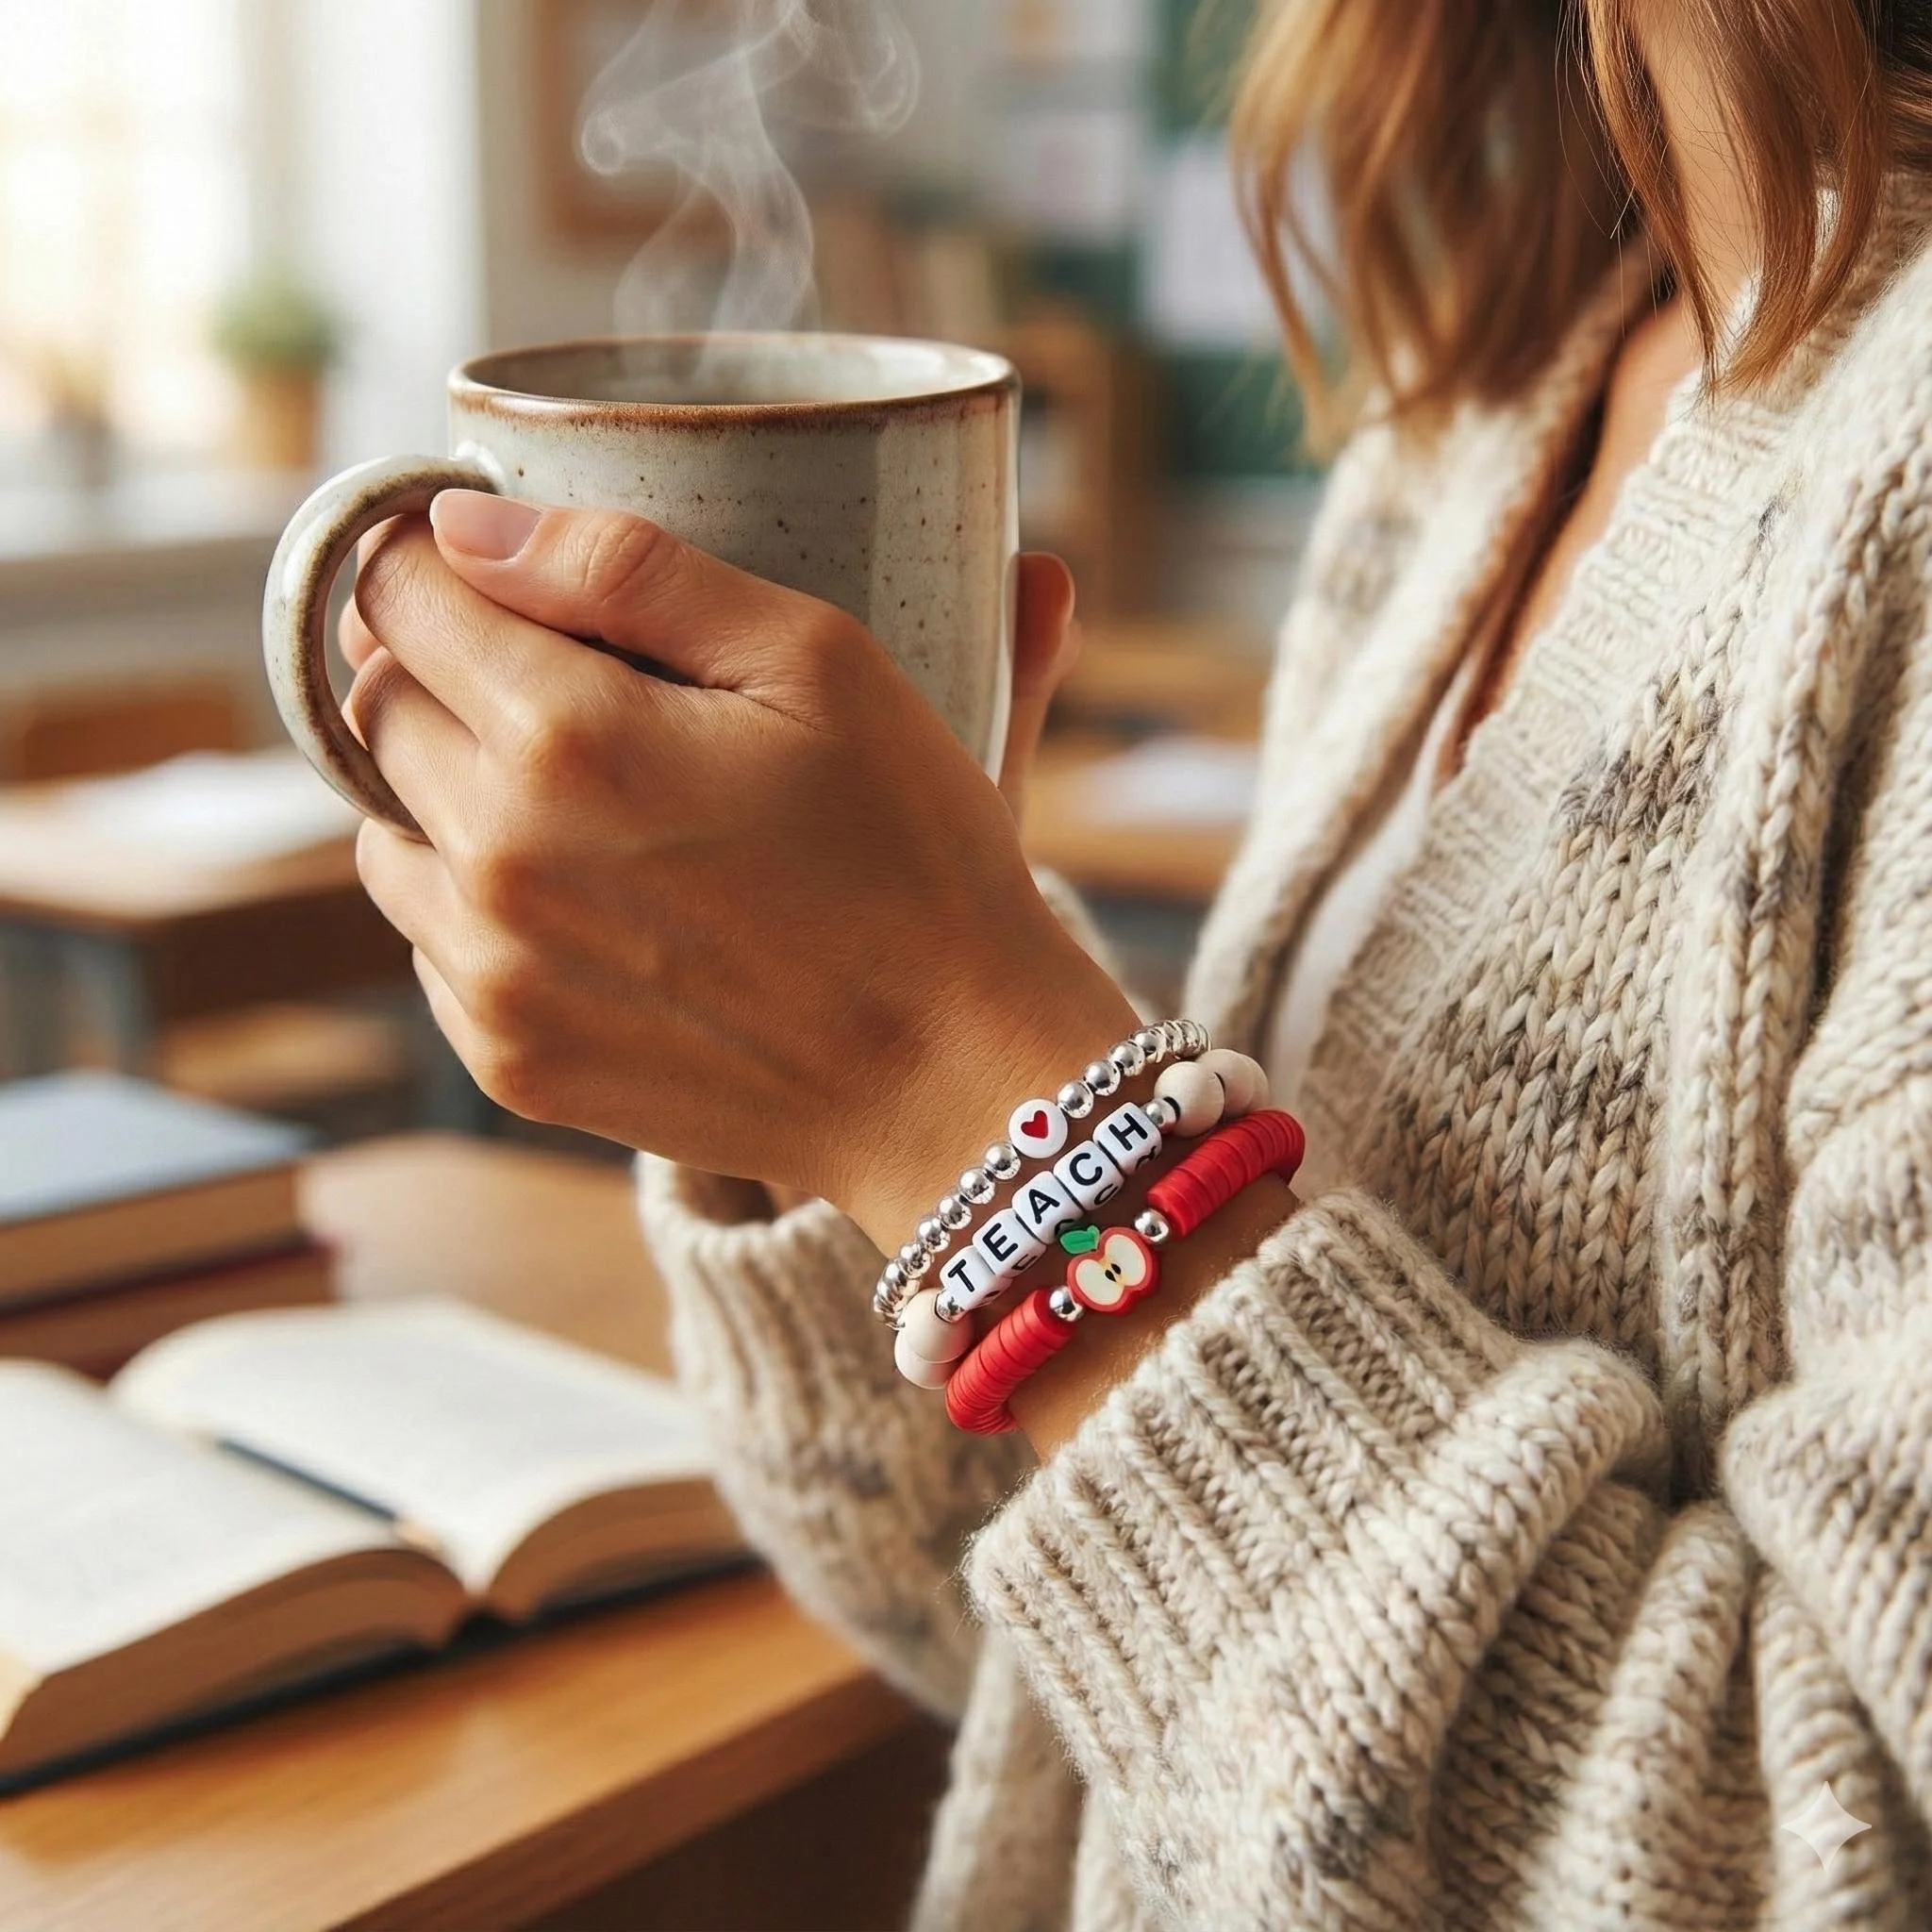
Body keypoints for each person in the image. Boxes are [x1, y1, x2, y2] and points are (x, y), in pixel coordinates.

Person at [339, 0, 1932, 1923]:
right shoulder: (1487, 412)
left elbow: (1842, 1854)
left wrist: (940, 1076)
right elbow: (1085, 1658)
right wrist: (804, 1070)